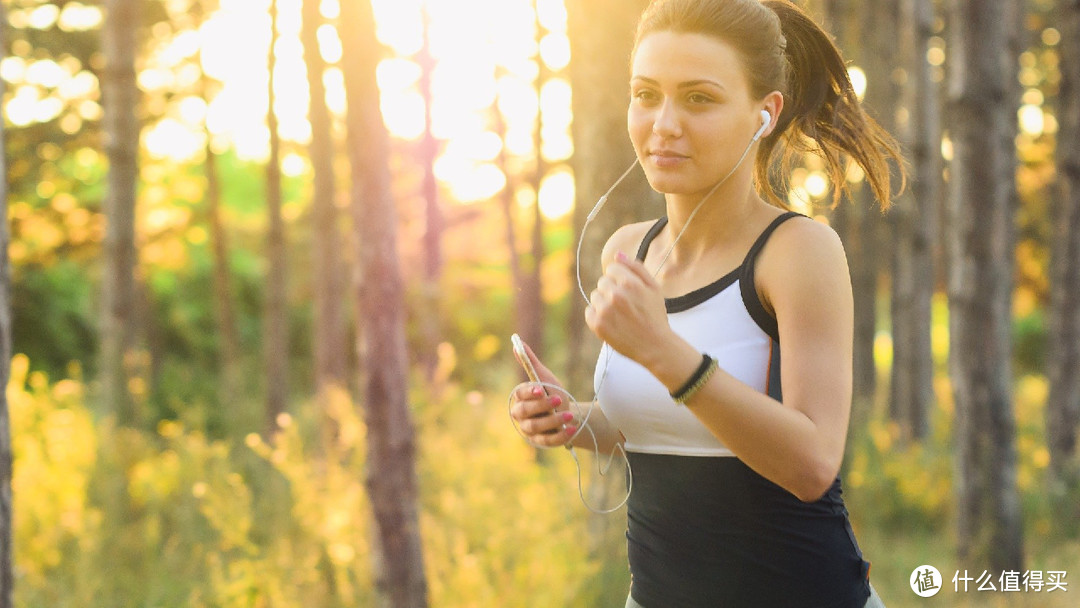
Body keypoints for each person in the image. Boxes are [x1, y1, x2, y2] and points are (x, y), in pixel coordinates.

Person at [509, 0, 903, 606]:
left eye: (698, 98)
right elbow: (665, 426)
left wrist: (666, 354)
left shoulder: (798, 251)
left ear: (764, 113)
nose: (664, 123)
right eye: (646, 94)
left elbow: (812, 464)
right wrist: (576, 421)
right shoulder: (627, 250)